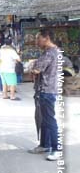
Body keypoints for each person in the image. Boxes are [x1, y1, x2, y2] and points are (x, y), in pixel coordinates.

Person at [28, 29, 61, 161]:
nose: (36, 42)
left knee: (49, 120)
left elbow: (36, 70)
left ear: (46, 38)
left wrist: (32, 66)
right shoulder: (56, 51)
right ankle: (44, 144)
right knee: (45, 119)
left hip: (47, 90)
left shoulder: (49, 54)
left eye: (38, 38)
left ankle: (56, 148)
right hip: (50, 89)